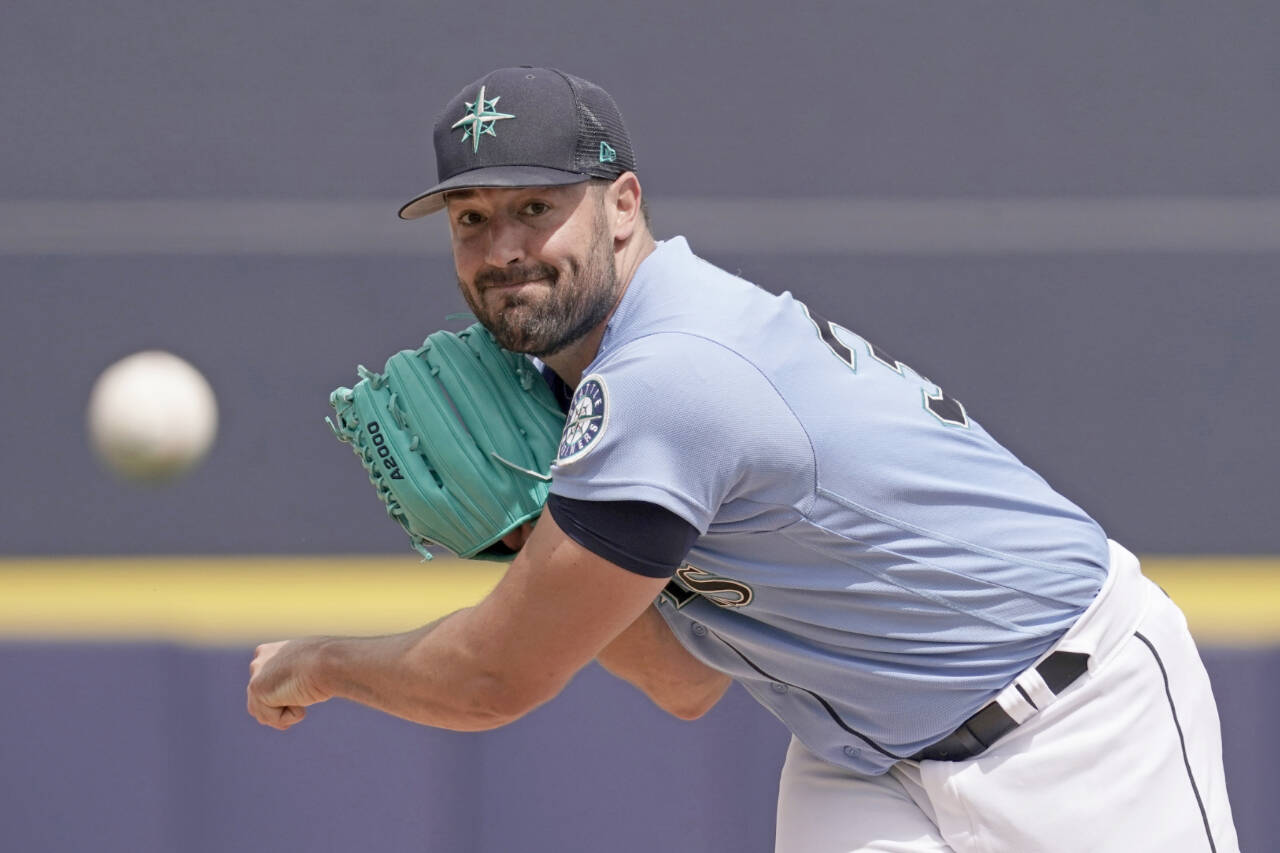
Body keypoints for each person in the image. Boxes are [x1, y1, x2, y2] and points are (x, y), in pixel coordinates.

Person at [246, 67, 1239, 852]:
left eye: (535, 207)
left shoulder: (669, 378)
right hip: (862, 756)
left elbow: (492, 681)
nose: (503, 246)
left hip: (1074, 717)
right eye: (472, 219)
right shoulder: (593, 385)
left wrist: (318, 662)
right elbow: (683, 681)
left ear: (620, 204)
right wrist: (524, 531)